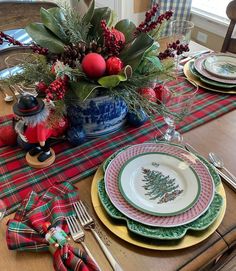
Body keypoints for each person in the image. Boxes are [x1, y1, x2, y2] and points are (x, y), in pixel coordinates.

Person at [13, 94, 53, 162]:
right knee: (36, 144)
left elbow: (41, 133)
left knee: (44, 145)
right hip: (34, 138)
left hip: (42, 139)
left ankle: (47, 153)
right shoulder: (28, 120)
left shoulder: (40, 123)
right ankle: (38, 148)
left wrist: (42, 141)